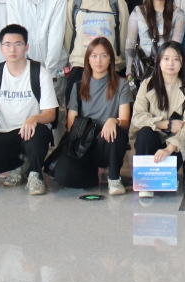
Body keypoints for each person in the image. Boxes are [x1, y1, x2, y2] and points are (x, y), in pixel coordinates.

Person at [0, 25, 58, 194]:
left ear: (26, 47)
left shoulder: (40, 74)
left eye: (18, 44)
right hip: (5, 132)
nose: (12, 49)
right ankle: (19, 164)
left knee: (36, 137)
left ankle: (35, 174)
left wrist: (34, 119)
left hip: (33, 131)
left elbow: (50, 114)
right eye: (7, 45)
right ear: (1, 48)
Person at [53, 37, 132, 195]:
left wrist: (113, 121)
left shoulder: (121, 84)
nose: (98, 60)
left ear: (111, 59)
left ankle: (114, 179)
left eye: (104, 56)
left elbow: (125, 122)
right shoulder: (78, 86)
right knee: (62, 175)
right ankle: (92, 176)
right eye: (94, 56)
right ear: (88, 60)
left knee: (116, 133)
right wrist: (92, 133)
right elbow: (71, 126)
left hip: (107, 142)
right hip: (83, 143)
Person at [130, 41, 185, 196]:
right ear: (159, 61)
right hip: (154, 136)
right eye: (166, 58)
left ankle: (162, 177)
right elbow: (137, 117)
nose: (170, 63)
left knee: (165, 181)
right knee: (145, 133)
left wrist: (169, 148)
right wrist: (165, 124)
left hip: (177, 141)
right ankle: (146, 184)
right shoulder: (147, 84)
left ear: (182, 63)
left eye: (176, 59)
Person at [5, 0, 69, 95]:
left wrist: (50, 71)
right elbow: (16, 34)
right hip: (25, 67)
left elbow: (56, 34)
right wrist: (23, 66)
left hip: (55, 67)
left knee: (52, 106)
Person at [124, 0, 184, 82]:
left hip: (166, 71)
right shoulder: (138, 12)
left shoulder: (178, 14)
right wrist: (129, 71)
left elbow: (176, 48)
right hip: (142, 69)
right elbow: (130, 43)